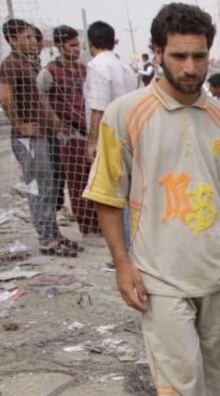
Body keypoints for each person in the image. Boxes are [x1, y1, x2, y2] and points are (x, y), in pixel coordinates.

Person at [83, 2, 220, 396]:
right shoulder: (126, 115)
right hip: (159, 273)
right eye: (179, 56)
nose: (190, 67)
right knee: (180, 376)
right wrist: (123, 265)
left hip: (218, 268)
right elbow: (107, 197)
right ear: (157, 53)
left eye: (199, 56)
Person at [0, 19, 81, 256]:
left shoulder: (30, 64)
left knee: (50, 187)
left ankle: (53, 232)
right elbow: (5, 96)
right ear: (13, 40)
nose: (32, 41)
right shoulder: (11, 64)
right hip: (28, 140)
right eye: (26, 38)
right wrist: (20, 125)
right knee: (38, 188)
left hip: (43, 135)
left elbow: (41, 103)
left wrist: (56, 125)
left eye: (33, 37)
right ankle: (46, 238)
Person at [38, 25, 100, 236]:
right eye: (72, 45)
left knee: (95, 178)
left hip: (89, 132)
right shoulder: (49, 72)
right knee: (77, 182)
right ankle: (87, 227)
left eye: (78, 45)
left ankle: (99, 224)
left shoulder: (85, 70)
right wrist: (56, 124)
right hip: (69, 135)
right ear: (59, 46)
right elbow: (43, 101)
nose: (76, 49)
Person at [85, 21, 138, 254]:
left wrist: (92, 142)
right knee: (128, 194)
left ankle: (127, 251)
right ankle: (132, 247)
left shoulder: (97, 66)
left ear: (91, 43)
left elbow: (98, 108)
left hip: (111, 138)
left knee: (114, 197)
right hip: (131, 134)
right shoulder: (124, 66)